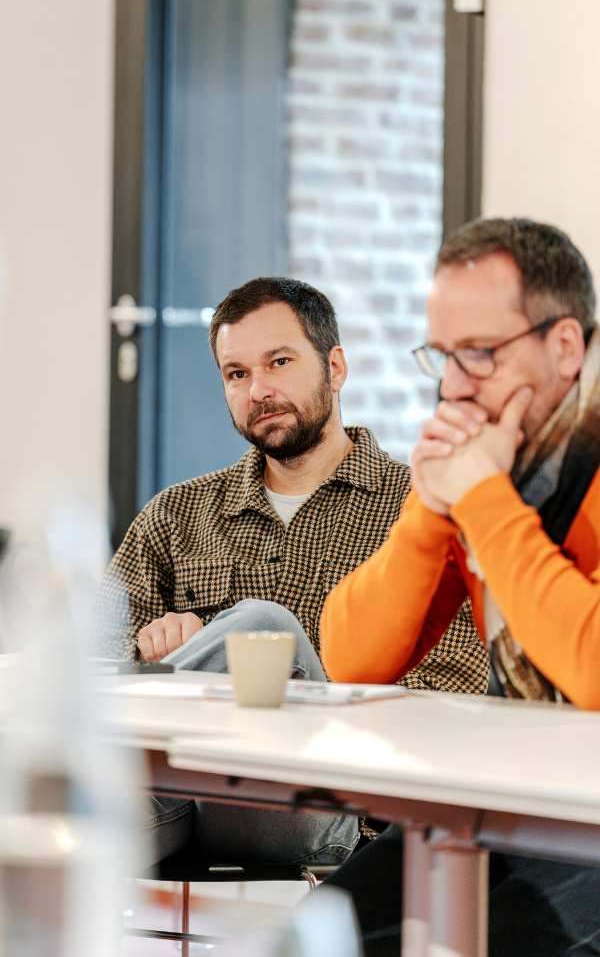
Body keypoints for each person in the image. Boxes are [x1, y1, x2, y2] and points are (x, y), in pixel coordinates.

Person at [98, 276, 487, 868]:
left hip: (322, 800)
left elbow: (452, 695)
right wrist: (158, 652)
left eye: (279, 362)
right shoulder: (176, 513)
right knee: (87, 806)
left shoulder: (420, 511)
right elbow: (93, 663)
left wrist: (247, 665)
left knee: (262, 630)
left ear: (335, 367)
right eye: (237, 373)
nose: (259, 390)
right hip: (175, 793)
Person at [320, 217, 600, 956]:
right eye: (443, 355)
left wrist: (480, 498)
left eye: (479, 354)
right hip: (515, 797)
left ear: (565, 346)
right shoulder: (495, 454)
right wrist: (433, 510)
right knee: (319, 932)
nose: (451, 386)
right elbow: (352, 659)